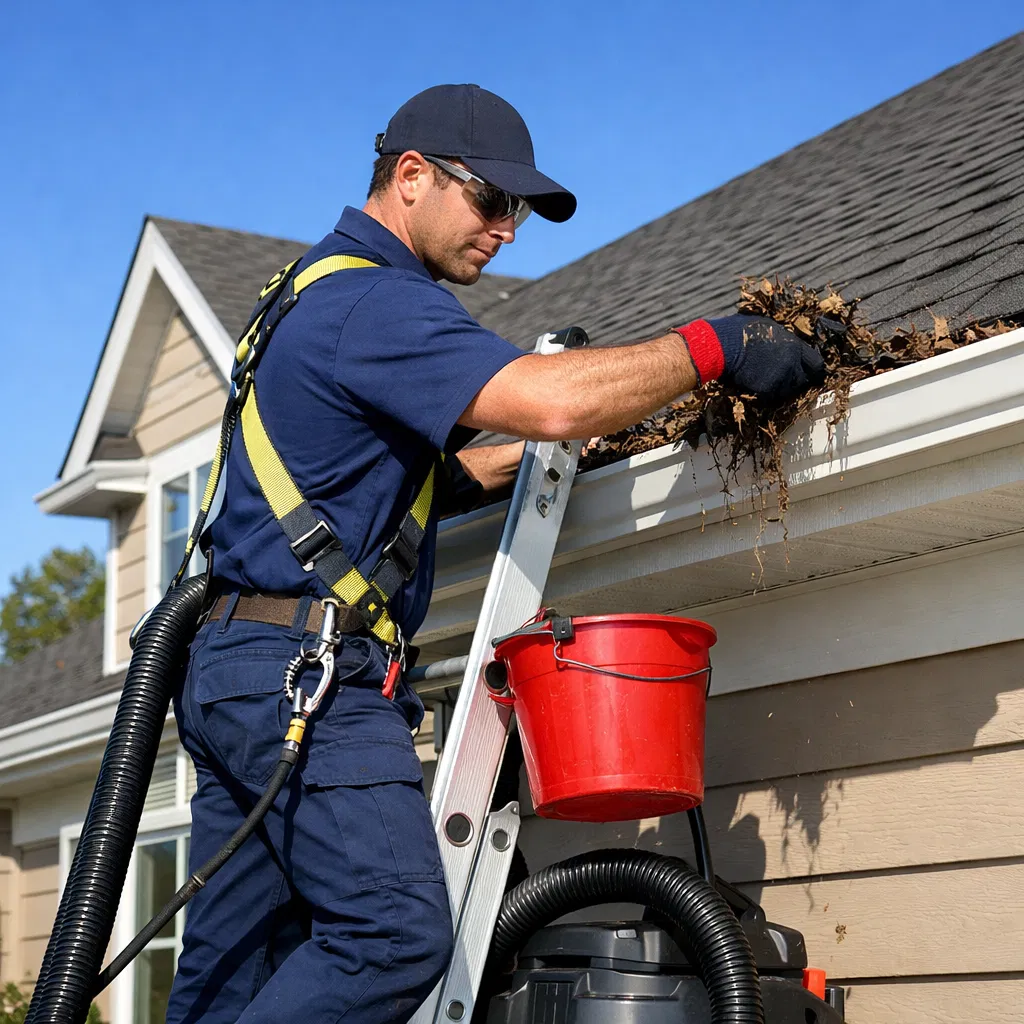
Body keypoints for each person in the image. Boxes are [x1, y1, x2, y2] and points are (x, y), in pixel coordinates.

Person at [167, 84, 825, 1024]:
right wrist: (718, 346)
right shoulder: (375, 302)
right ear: (411, 176)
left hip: (240, 670)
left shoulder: (307, 296)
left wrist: (546, 457)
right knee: (394, 933)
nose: (508, 230)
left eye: (519, 210)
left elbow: (405, 486)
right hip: (305, 675)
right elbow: (549, 397)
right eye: (491, 201)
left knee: (231, 979)